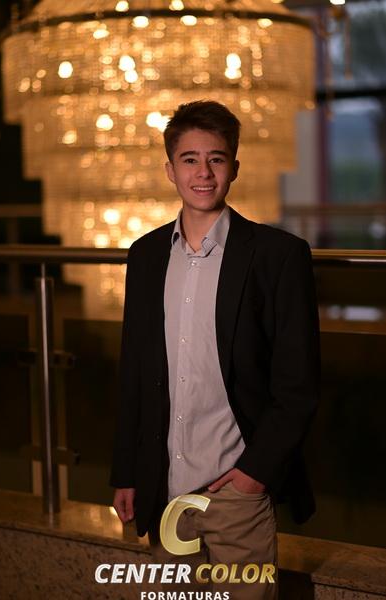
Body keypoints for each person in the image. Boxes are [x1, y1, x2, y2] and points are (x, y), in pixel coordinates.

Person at [110, 100, 321, 599]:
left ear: (234, 168)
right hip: (166, 491)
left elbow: (298, 384)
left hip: (236, 493)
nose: (203, 173)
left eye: (216, 159)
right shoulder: (145, 256)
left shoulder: (278, 256)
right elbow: (134, 372)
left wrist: (253, 476)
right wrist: (127, 472)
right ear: (170, 169)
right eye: (189, 159)